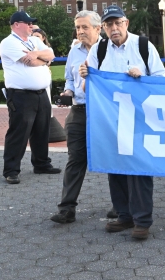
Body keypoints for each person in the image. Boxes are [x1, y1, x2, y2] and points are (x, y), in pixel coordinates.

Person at [80, 5, 165, 240]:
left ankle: (142, 220)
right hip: (110, 119)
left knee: (138, 169)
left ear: (126, 23)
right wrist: (86, 77)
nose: (113, 28)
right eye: (109, 24)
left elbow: (161, 79)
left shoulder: (143, 46)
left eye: (118, 23)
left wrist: (142, 76)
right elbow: (87, 88)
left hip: (139, 118)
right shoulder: (99, 49)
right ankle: (124, 215)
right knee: (115, 167)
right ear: (103, 27)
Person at [50, 11, 103, 224]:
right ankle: (67, 208)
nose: (80, 31)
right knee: (75, 159)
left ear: (98, 29)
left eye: (85, 27)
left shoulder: (110, 49)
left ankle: (121, 208)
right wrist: (68, 93)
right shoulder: (74, 51)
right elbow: (70, 81)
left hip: (104, 111)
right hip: (79, 111)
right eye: (78, 27)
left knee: (113, 157)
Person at [0, 11, 60, 185]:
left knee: (42, 130)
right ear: (17, 24)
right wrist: (40, 58)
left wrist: (36, 54)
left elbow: (51, 54)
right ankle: (11, 170)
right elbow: (31, 62)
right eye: (28, 23)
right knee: (19, 132)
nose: (31, 26)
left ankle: (41, 164)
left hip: (41, 94)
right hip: (21, 95)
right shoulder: (8, 43)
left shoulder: (34, 40)